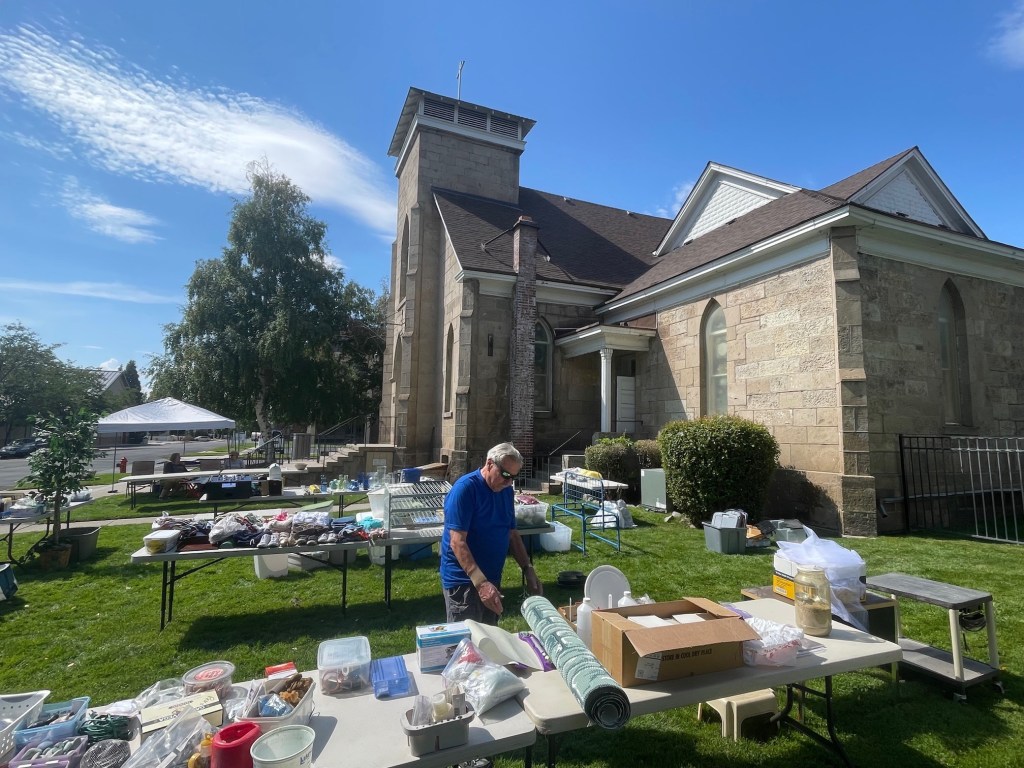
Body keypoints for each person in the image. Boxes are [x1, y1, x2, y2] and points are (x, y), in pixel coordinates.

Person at [439, 442, 543, 625]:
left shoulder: (505, 491)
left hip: (492, 578)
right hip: (464, 581)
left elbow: (512, 534)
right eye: (505, 475)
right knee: (464, 646)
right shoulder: (465, 489)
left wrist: (528, 569)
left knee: (490, 641)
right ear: (489, 464)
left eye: (513, 477)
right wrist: (481, 583)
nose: (509, 482)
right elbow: (457, 542)